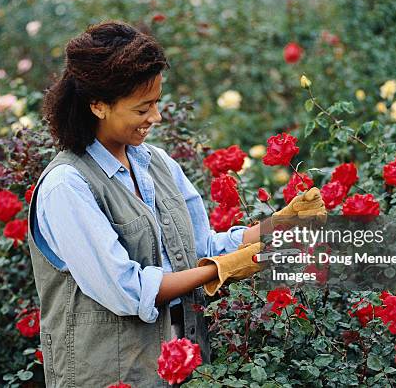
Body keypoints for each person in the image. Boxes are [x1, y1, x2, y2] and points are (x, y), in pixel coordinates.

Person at [26, 20, 325, 387]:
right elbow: (128, 290)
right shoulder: (66, 186)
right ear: (98, 106)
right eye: (142, 109)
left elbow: (199, 248)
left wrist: (275, 227)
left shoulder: (157, 164)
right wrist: (223, 269)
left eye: (157, 103)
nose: (156, 117)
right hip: (111, 375)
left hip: (184, 371)